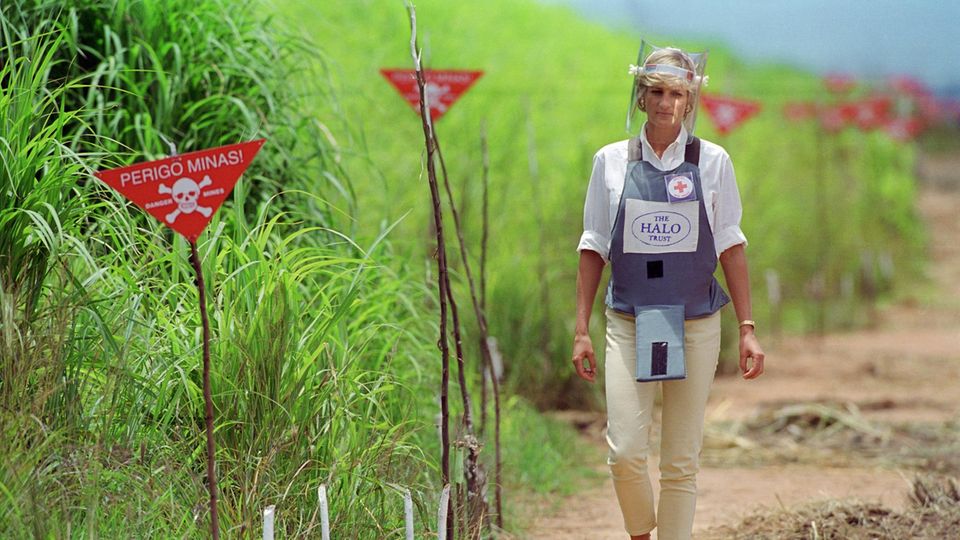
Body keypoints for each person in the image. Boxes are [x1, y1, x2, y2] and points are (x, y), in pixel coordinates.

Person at [571, 44, 765, 540]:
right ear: (641, 96)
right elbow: (593, 246)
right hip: (629, 320)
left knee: (681, 459)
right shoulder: (610, 161)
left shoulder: (714, 162)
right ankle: (640, 533)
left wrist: (747, 328)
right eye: (655, 91)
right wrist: (580, 330)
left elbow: (731, 244)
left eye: (676, 93)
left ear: (690, 100)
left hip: (696, 322)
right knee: (626, 451)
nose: (665, 103)